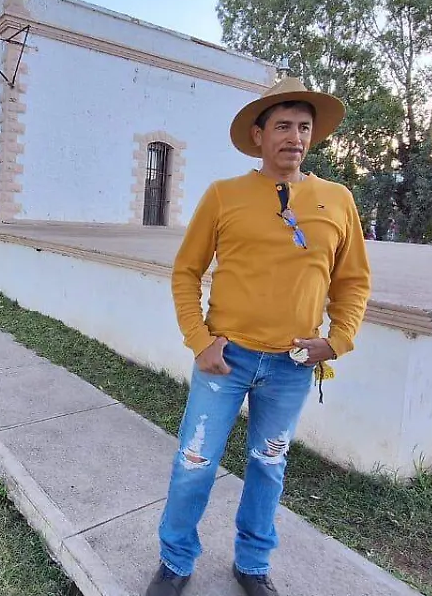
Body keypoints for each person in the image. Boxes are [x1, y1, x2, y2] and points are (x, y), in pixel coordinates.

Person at [145, 76, 372, 596]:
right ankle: (176, 561)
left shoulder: (337, 200)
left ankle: (252, 564)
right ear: (259, 134)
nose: (295, 137)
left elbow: (353, 280)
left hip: (292, 366)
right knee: (195, 464)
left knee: (268, 466)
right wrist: (199, 340)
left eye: (304, 128)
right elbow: (186, 271)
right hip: (226, 361)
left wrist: (338, 340)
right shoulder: (224, 196)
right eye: (283, 126)